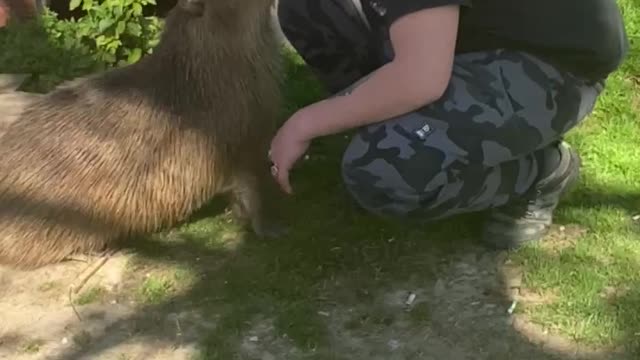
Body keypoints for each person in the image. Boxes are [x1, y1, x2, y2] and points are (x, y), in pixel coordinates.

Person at [268, 0, 629, 249]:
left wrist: (304, 123)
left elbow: (420, 78)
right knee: (309, 8)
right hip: (477, 34)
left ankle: (543, 172)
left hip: (554, 67)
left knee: (380, 171)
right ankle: (388, 117)